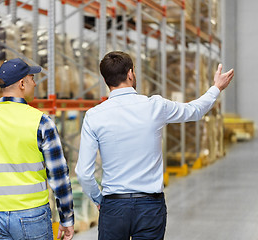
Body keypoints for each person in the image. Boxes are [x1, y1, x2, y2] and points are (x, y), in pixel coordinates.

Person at [75, 51, 234, 240]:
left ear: (105, 79)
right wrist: (216, 87)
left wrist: (101, 200)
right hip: (149, 207)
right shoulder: (155, 106)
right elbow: (195, 111)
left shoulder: (94, 116)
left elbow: (84, 173)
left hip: (114, 206)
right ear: (130, 74)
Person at [0, 58, 74, 240]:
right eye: (32, 78)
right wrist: (66, 218)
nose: (35, 84)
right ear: (22, 83)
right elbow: (59, 176)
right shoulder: (41, 122)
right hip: (32, 216)